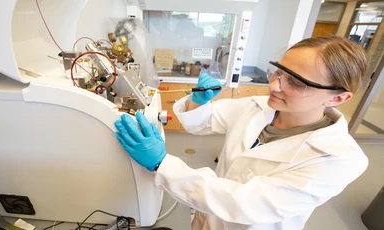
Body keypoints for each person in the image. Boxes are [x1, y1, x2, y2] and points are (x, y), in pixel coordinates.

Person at [114, 36, 369, 230]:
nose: (274, 86)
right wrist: (198, 102)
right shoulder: (258, 106)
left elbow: (248, 203)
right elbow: (201, 123)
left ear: (338, 97)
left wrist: (163, 164)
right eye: (278, 72)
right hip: (207, 217)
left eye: (296, 82)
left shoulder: (338, 159)